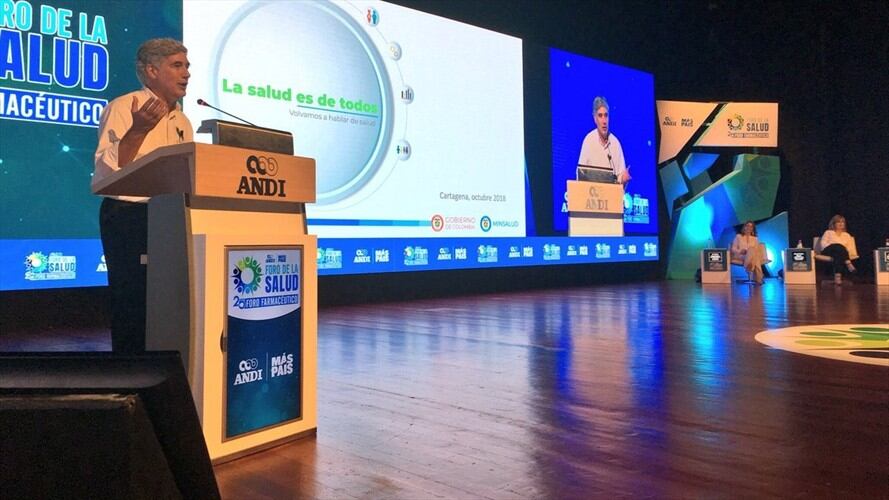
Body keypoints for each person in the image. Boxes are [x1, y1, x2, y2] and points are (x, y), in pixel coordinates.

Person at [93, 38, 193, 353]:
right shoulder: (124, 107)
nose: (186, 73)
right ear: (151, 70)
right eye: (177, 65)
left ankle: (164, 375)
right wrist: (137, 130)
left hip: (170, 218)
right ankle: (128, 377)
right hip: (129, 217)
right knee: (132, 302)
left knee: (167, 303)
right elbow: (110, 173)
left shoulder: (183, 120)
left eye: (187, 66)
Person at [577, 96, 631, 185]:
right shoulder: (588, 141)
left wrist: (623, 178)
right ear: (595, 119)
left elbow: (620, 177)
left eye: (606, 115)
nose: (604, 121)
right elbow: (580, 174)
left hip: (611, 196)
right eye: (600, 116)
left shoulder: (615, 144)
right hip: (592, 196)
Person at [819, 214, 858, 285]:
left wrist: (840, 249)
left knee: (838, 253)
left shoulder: (847, 235)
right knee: (838, 246)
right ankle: (848, 263)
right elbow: (823, 244)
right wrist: (835, 246)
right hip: (828, 251)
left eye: (842, 222)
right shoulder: (828, 232)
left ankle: (837, 277)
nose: (841, 224)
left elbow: (849, 248)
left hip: (842, 253)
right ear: (833, 224)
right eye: (838, 222)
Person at [731, 220, 767, 284]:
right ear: (744, 227)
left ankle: (748, 267)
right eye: (747, 226)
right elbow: (733, 248)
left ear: (753, 229)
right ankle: (759, 276)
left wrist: (750, 250)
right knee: (754, 255)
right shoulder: (738, 236)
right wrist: (740, 251)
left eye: (751, 226)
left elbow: (756, 250)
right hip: (741, 256)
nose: (749, 228)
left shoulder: (755, 238)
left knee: (752, 250)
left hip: (752, 256)